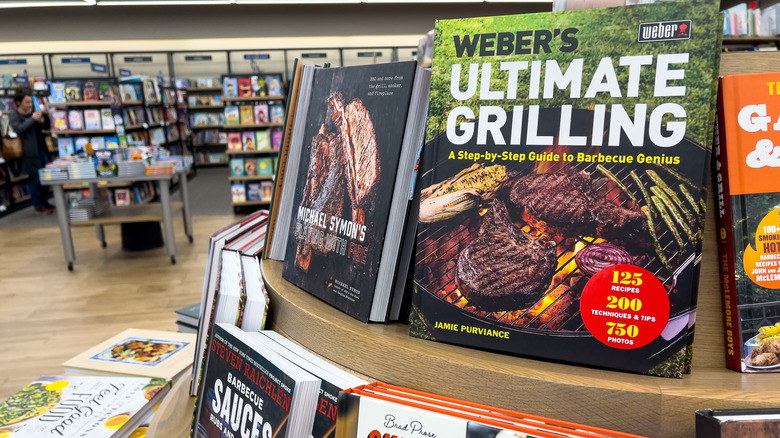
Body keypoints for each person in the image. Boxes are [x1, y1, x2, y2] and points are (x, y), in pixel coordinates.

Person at [9, 88, 53, 214]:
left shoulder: (32, 113)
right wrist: (32, 118)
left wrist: (44, 115)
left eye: (30, 102)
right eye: (27, 102)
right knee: (34, 178)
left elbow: (45, 127)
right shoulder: (14, 115)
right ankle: (38, 205)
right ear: (18, 102)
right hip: (28, 152)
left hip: (41, 149)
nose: (29, 105)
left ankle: (45, 202)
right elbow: (19, 129)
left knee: (46, 176)